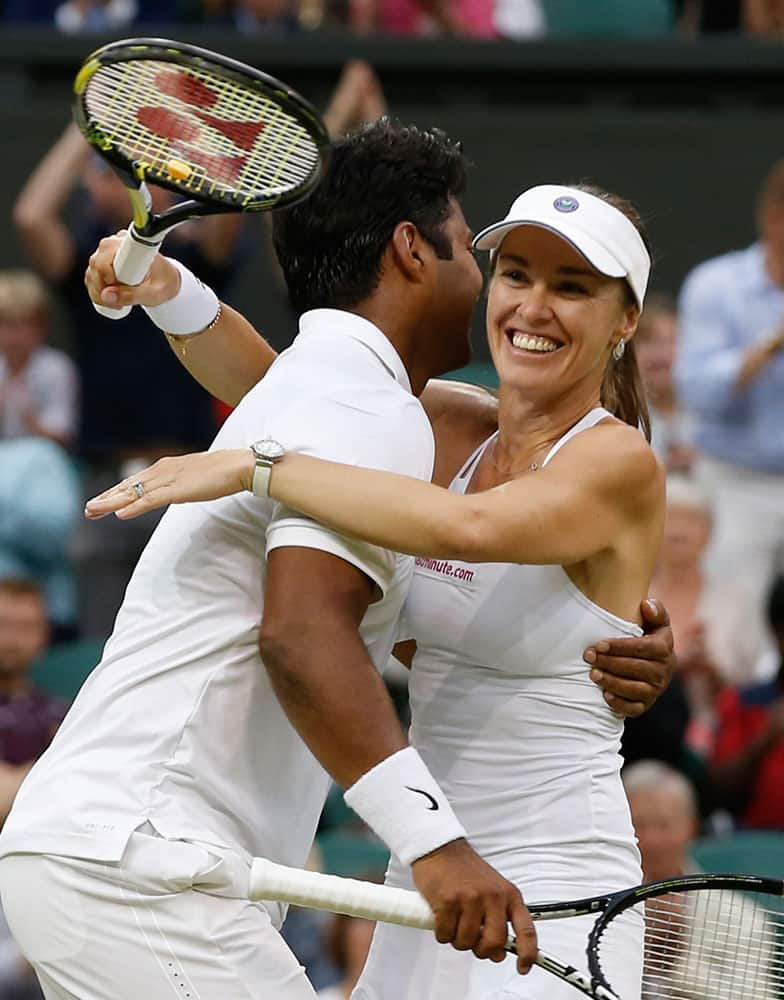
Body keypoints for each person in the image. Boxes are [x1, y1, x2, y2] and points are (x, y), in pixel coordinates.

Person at [85, 177, 674, 999]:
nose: (533, 307)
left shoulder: (617, 462)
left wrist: (258, 466)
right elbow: (283, 384)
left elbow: (464, 530)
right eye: (517, 275)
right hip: (434, 874)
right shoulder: (451, 425)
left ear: (626, 320)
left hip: (557, 875)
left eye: (572, 288)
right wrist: (170, 291)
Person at [0, 119, 543, 1000]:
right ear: (411, 248)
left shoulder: (318, 384)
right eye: (465, 242)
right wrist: (436, 845)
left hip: (98, 852)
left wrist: (170, 289)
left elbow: (253, 370)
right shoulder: (365, 406)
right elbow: (302, 633)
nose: (479, 277)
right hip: (145, 866)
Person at [12, 121, 244, 638]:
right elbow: (30, 215)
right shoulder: (86, 266)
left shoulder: (196, 262)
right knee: (100, 657)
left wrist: (198, 144)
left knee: (192, 643)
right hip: (104, 486)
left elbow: (229, 212)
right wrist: (90, 126)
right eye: (106, 172)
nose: (119, 182)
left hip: (187, 481)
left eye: (132, 175)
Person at [677, 159, 784, 685]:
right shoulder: (717, 285)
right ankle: (725, 737)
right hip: (737, 482)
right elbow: (697, 391)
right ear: (773, 219)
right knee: (731, 631)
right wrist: (765, 348)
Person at [708, 574, 784, 829]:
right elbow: (718, 793)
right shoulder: (743, 701)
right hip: (755, 848)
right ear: (777, 632)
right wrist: (765, 740)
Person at [0, 579, 68, 825]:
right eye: (3, 625)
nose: (12, 640)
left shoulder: (62, 715)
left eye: (26, 627)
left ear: (44, 635)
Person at [0, 270, 79, 449]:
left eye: (23, 325)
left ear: (41, 327)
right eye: (6, 325)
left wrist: (27, 416)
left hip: (41, 460)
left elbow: (61, 436)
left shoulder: (56, 369)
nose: (14, 335)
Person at [634, 292, 695, 473]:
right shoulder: (619, 415)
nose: (660, 354)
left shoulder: (710, 413)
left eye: (671, 342)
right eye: (648, 342)